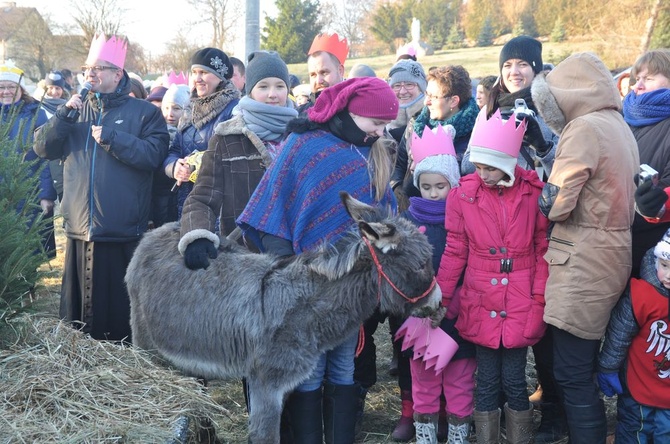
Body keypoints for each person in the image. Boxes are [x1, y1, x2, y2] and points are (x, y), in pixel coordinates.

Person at [237, 77, 399, 443]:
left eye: (385, 125)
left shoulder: (370, 153)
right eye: (376, 124)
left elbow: (384, 219)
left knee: (343, 365)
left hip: (349, 289)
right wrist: (288, 270)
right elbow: (272, 204)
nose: (381, 131)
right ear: (354, 112)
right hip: (306, 284)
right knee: (310, 368)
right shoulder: (304, 144)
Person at [33, 34, 170, 341]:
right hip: (80, 228)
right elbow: (42, 148)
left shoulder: (145, 113)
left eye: (98, 68)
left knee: (118, 323)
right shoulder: (74, 110)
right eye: (87, 68)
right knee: (76, 327)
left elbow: (153, 156)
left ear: (118, 73)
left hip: (121, 229)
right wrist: (62, 117)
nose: (90, 74)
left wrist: (113, 138)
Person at [532, 52, 638, 444]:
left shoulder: (582, 129)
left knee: (573, 372)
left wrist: (543, 193)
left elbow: (558, 201)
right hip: (613, 249)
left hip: (583, 256)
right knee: (583, 365)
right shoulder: (617, 123)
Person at [436, 107, 549, 444]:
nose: (482, 173)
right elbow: (455, 250)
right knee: (485, 378)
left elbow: (543, 249)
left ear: (508, 164)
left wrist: (539, 300)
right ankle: (486, 438)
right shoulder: (463, 196)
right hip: (481, 298)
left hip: (521, 299)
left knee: (515, 378)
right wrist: (439, 296)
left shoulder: (532, 193)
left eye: (490, 167)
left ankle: (519, 438)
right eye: (478, 166)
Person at [179, 50, 298, 261]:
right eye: (263, 86)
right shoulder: (227, 138)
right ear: (250, 91)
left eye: (280, 86)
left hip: (299, 255)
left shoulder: (301, 135)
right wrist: (197, 236)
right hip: (244, 259)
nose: (273, 94)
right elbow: (202, 197)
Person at [402, 124, 476, 444]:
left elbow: (471, 265)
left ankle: (459, 432)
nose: (433, 193)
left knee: (460, 379)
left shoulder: (463, 218)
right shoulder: (409, 221)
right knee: (424, 378)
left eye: (440, 186)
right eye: (427, 186)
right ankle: (425, 433)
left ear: (452, 183)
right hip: (421, 316)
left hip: (458, 316)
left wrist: (453, 303)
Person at [597, 228, 670, 443]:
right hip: (639, 383)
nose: (668, 275)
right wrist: (608, 367)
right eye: (664, 266)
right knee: (633, 430)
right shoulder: (642, 295)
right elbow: (619, 335)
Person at [462, 36, 557, 179]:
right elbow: (466, 168)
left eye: (522, 64)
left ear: (535, 69)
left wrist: (542, 147)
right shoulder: (490, 110)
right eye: (507, 65)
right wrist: (493, 143)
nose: (514, 71)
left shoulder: (553, 110)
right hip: (496, 199)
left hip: (537, 198)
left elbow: (565, 174)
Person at [163, 47, 240, 217]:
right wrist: (175, 167)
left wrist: (197, 166)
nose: (197, 79)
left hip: (219, 205)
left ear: (220, 77)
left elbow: (233, 157)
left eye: (204, 72)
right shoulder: (190, 108)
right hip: (187, 199)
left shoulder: (234, 110)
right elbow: (175, 150)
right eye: (194, 72)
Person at [391, 65, 480, 206]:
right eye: (427, 94)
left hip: (457, 213)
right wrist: (399, 193)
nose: (426, 101)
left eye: (433, 97)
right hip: (414, 210)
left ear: (453, 101)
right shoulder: (415, 124)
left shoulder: (477, 131)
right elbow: (399, 166)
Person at [621, 49, 670, 278]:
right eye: (636, 79)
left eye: (648, 79)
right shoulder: (621, 116)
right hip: (614, 241)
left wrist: (656, 206)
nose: (637, 86)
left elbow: (663, 198)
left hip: (654, 251)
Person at [1, 60, 55, 258]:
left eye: (11, 87)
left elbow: (47, 158)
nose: (6, 91)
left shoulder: (37, 115)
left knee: (26, 252)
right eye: (1, 87)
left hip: (28, 194)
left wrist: (46, 194)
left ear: (21, 90)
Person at [148, 84, 191, 229]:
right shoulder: (155, 133)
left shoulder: (191, 135)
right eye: (166, 108)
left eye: (176, 108)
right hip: (161, 200)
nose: (170, 114)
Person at [298, 32, 349, 114]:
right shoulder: (301, 114)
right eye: (313, 75)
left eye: (324, 73)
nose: (318, 80)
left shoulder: (357, 110)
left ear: (340, 71)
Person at [387, 59, 427, 130]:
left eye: (409, 84)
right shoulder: (381, 120)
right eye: (397, 85)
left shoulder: (433, 116)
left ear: (421, 88)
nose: (402, 91)